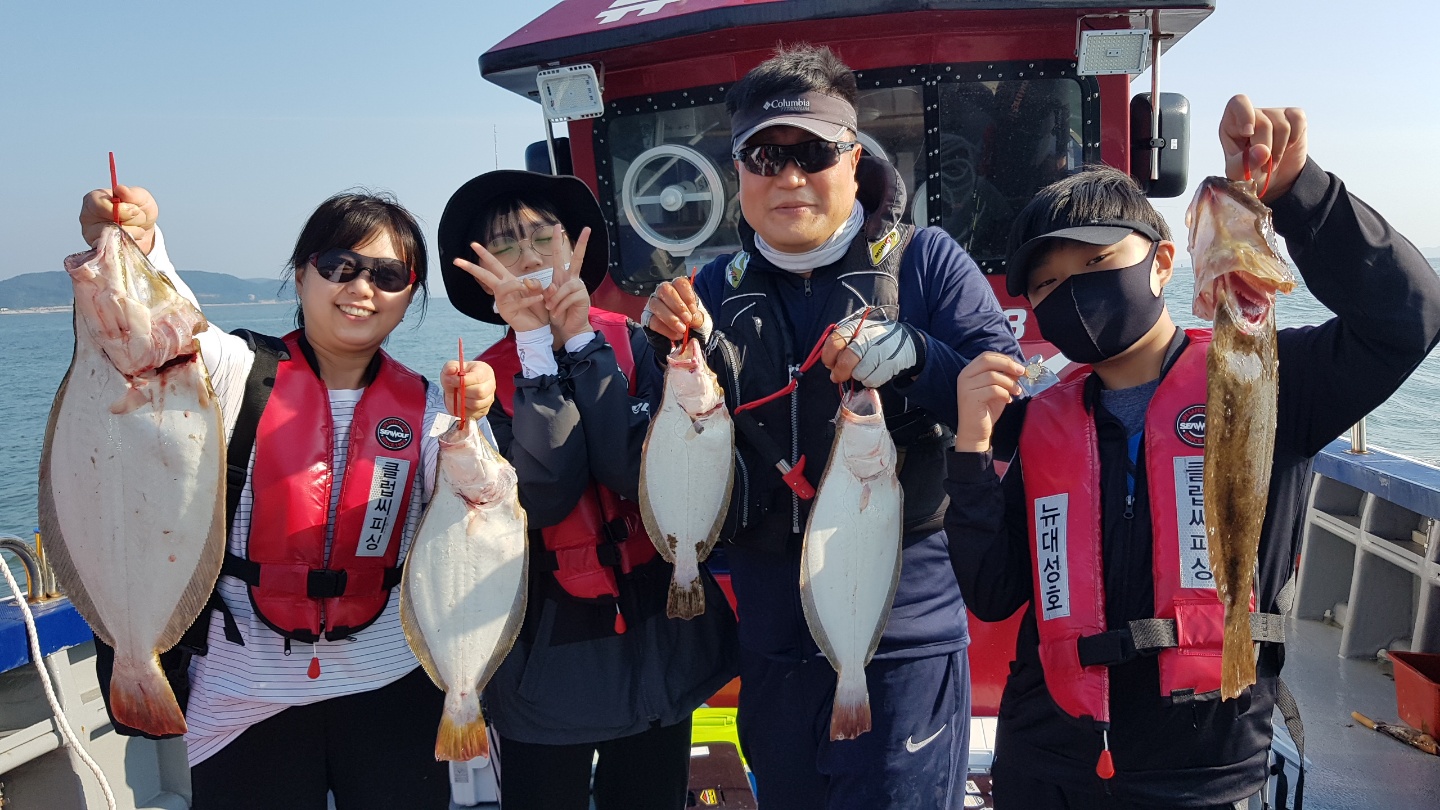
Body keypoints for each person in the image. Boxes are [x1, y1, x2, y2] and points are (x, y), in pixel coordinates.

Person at [944, 95, 1440, 809]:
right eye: (1047, 283)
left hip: (1205, 773)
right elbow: (992, 591)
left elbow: (1408, 317)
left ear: (1162, 262)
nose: (1072, 291)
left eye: (1096, 261)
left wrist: (1301, 194)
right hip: (1046, 763)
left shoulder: (1267, 378)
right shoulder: (1044, 421)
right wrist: (969, 453)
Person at [642, 44, 1022, 808]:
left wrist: (917, 355)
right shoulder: (710, 288)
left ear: (854, 159)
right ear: (738, 172)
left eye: (813, 153)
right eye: (765, 156)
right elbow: (678, 457)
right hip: (771, 644)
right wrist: (664, 355)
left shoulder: (927, 261)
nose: (789, 177)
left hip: (903, 640)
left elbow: (1013, 413)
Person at [79, 185, 495, 810]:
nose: (361, 288)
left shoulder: (432, 407)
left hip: (391, 685)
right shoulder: (231, 371)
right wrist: (138, 243)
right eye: (340, 265)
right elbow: (160, 324)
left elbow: (483, 510)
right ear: (301, 274)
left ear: (410, 296)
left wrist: (476, 415)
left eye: (387, 275)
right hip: (243, 699)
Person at [438, 170, 739, 810]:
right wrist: (532, 345)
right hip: (546, 653)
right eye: (505, 244)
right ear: (483, 274)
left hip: (659, 634)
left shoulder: (634, 343)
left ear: (571, 244)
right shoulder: (479, 383)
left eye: (542, 236)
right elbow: (545, 498)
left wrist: (580, 340)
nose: (528, 256)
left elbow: (636, 476)